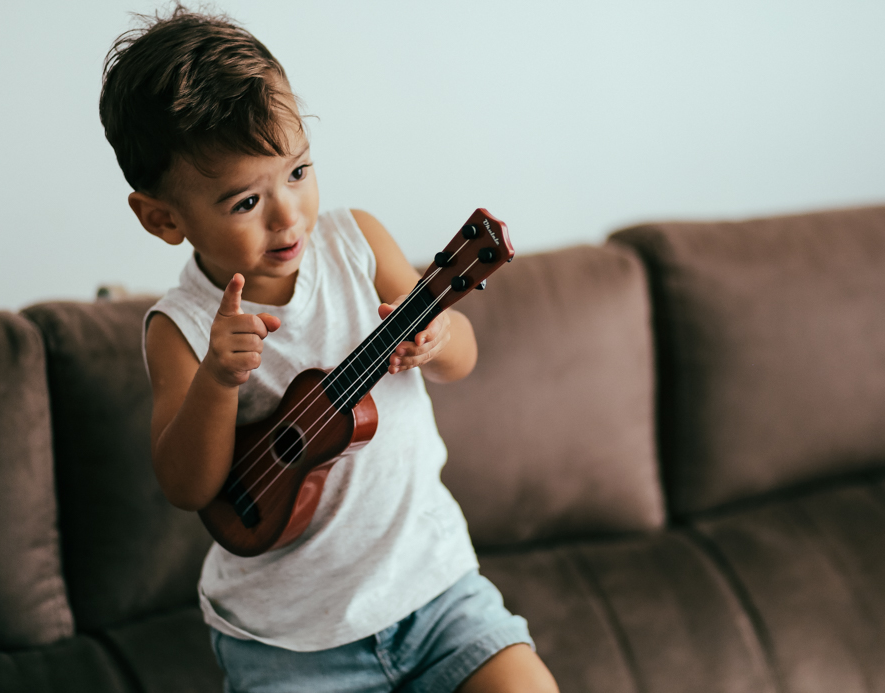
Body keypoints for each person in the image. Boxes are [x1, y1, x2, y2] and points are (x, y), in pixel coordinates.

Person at [99, 6, 558, 693]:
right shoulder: (184, 327)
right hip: (291, 643)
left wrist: (435, 336)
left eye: (298, 171)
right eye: (245, 202)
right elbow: (185, 484)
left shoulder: (357, 245)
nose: (288, 214)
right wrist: (219, 380)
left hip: (435, 592)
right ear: (163, 217)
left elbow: (463, 356)